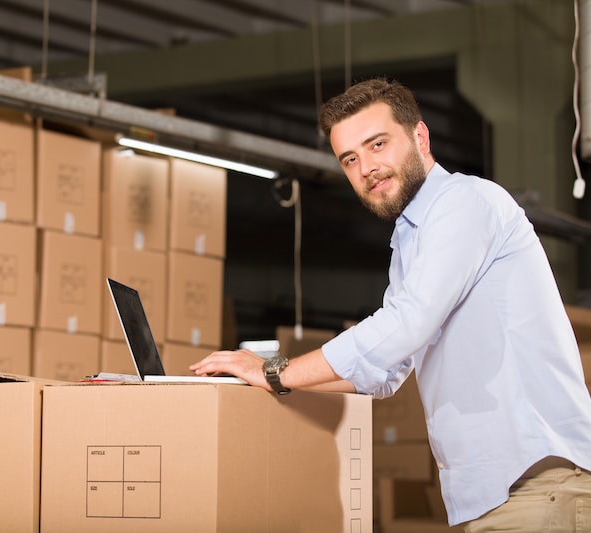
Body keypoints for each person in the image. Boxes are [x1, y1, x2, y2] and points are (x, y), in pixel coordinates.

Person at [190, 77, 591, 530]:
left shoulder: (466, 202)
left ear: (420, 137)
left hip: (538, 485)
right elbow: (382, 373)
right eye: (351, 159)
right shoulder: (410, 242)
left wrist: (272, 371)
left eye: (377, 144)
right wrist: (267, 379)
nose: (367, 168)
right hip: (495, 497)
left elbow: (406, 325)